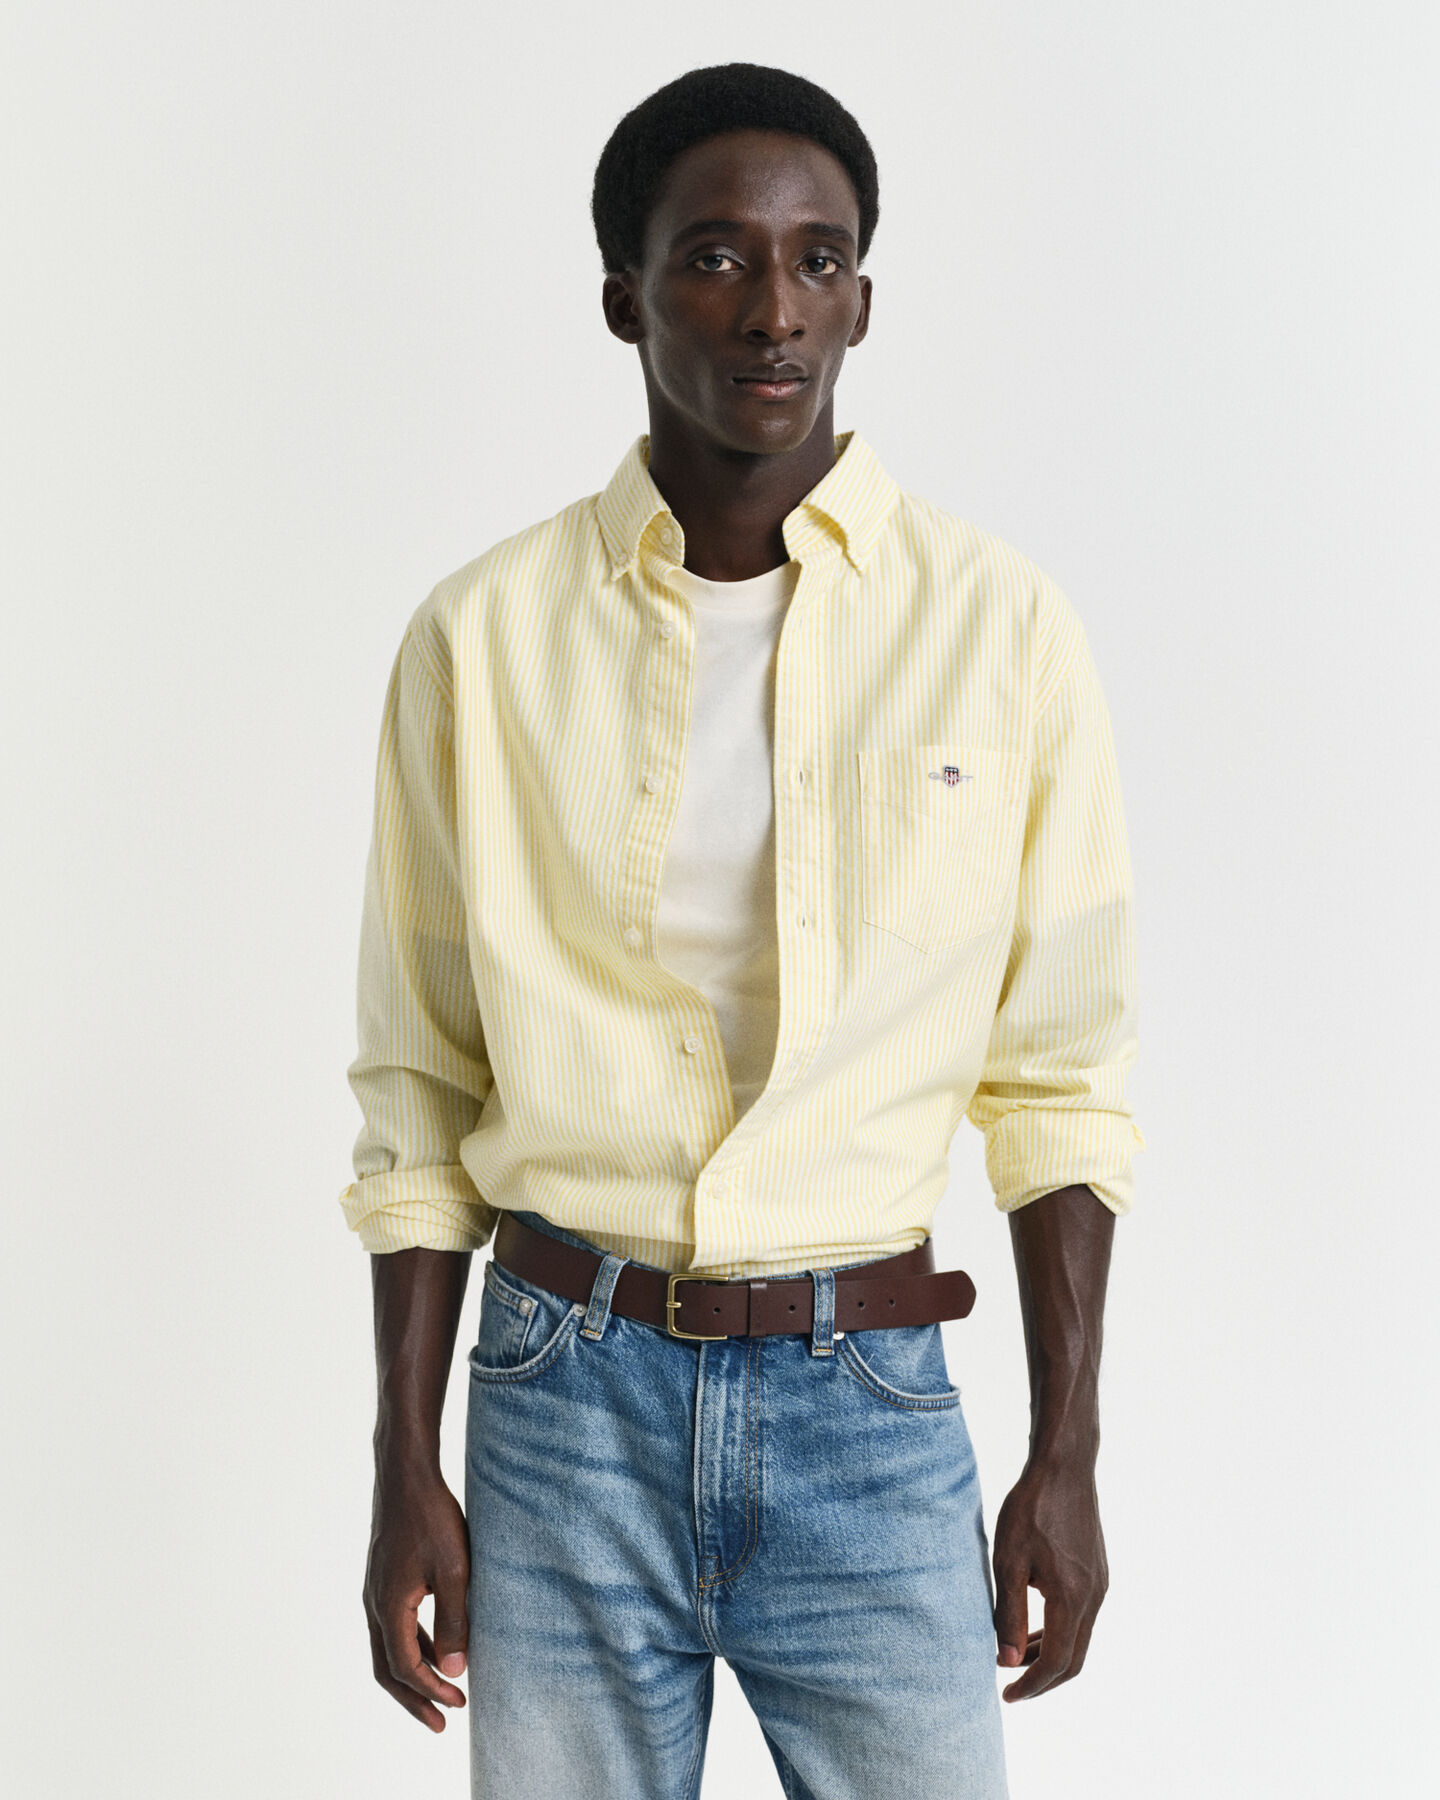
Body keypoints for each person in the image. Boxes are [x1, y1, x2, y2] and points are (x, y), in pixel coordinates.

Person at [338, 61, 1145, 1800]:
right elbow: (419, 1084)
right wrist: (405, 1463)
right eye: (715, 258)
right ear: (625, 298)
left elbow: (1062, 1078)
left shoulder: (1002, 629)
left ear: (863, 296)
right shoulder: (482, 637)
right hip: (561, 1398)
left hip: (873, 1402)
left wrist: (1067, 1454)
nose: (774, 309)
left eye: (818, 259)